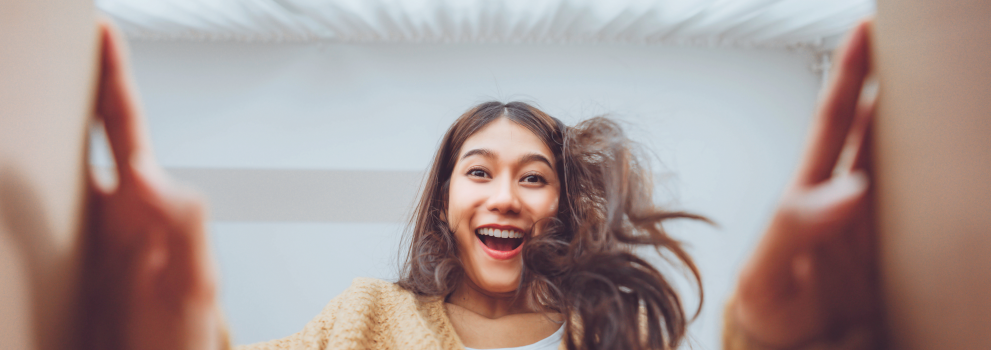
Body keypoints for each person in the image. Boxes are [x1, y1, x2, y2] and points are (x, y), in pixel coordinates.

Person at [81, 16, 880, 350]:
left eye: (534, 178)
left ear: (563, 205)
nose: (505, 195)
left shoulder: (612, 333)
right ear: (444, 204)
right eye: (478, 172)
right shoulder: (364, 318)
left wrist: (777, 337)